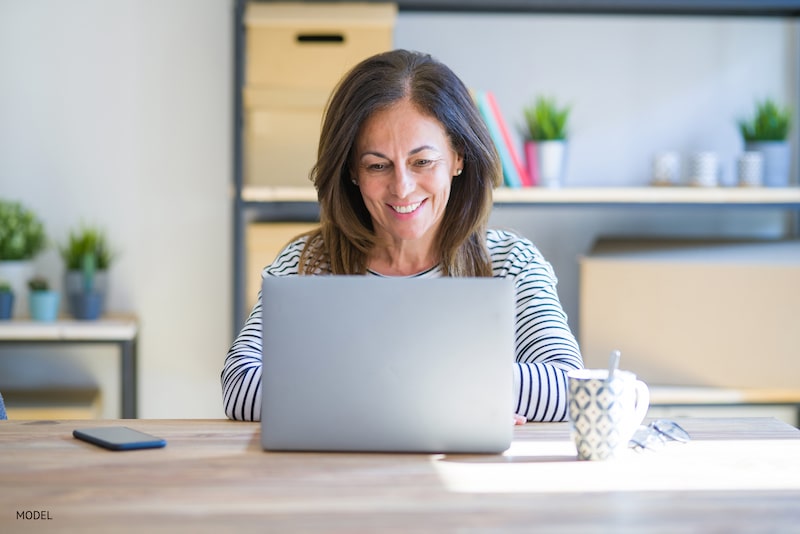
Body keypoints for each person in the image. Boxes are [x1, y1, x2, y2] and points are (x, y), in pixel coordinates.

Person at [222, 49, 583, 423]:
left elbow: (572, 387)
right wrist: (447, 394)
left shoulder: (512, 262)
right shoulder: (308, 262)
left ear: (458, 157)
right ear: (351, 172)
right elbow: (240, 386)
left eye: (422, 162)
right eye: (378, 165)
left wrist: (356, 391)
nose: (403, 187)